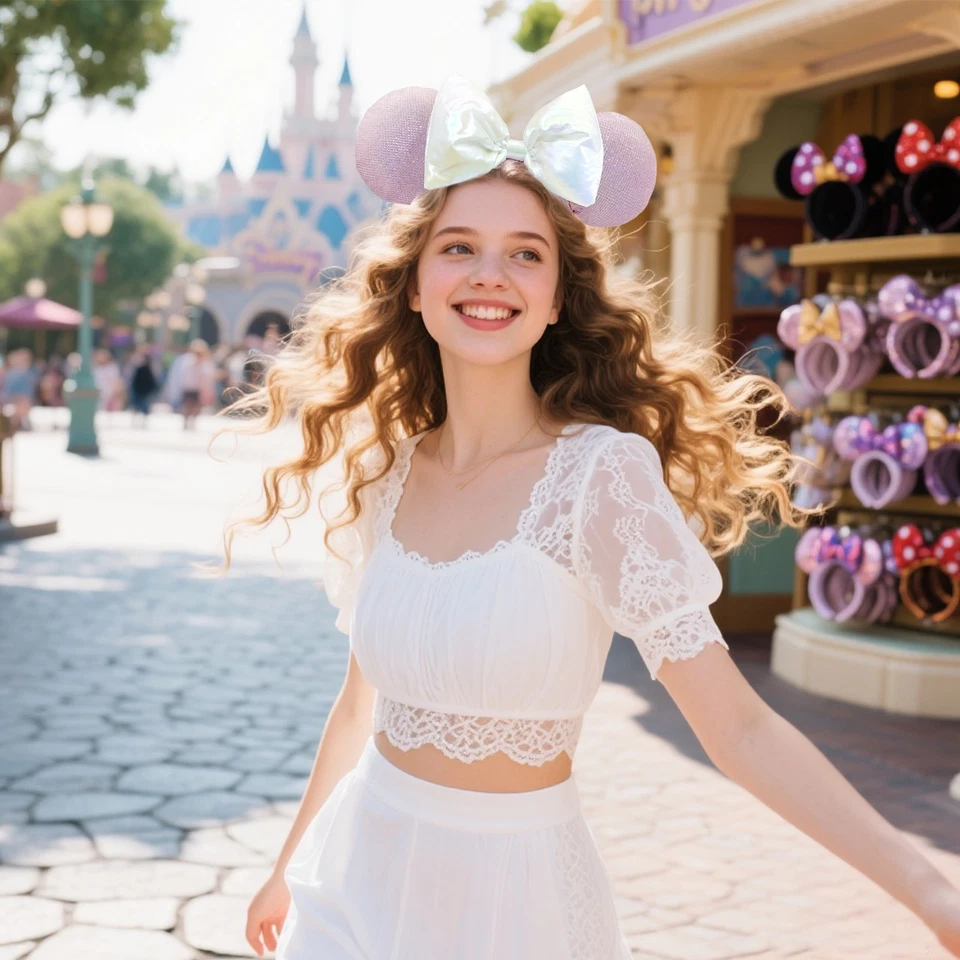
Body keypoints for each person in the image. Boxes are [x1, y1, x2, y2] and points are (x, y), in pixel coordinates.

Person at [220, 77, 960, 959]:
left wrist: (930, 891)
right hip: (354, 885)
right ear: (414, 287)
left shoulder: (599, 479)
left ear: (559, 296)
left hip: (517, 906)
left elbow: (741, 727)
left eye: (526, 254)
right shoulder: (391, 471)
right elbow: (358, 706)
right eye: (459, 246)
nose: (491, 274)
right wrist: (288, 859)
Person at [179, 339, 215, 430]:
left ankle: (193, 421)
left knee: (197, 407)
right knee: (187, 406)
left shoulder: (205, 362)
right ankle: (186, 421)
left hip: (198, 389)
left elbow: (208, 375)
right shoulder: (188, 360)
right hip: (189, 387)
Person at [128, 347, 158, 426]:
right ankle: (136, 420)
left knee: (143, 406)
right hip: (138, 389)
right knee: (137, 406)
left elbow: (152, 380)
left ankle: (143, 421)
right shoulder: (138, 368)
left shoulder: (148, 368)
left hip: (144, 390)